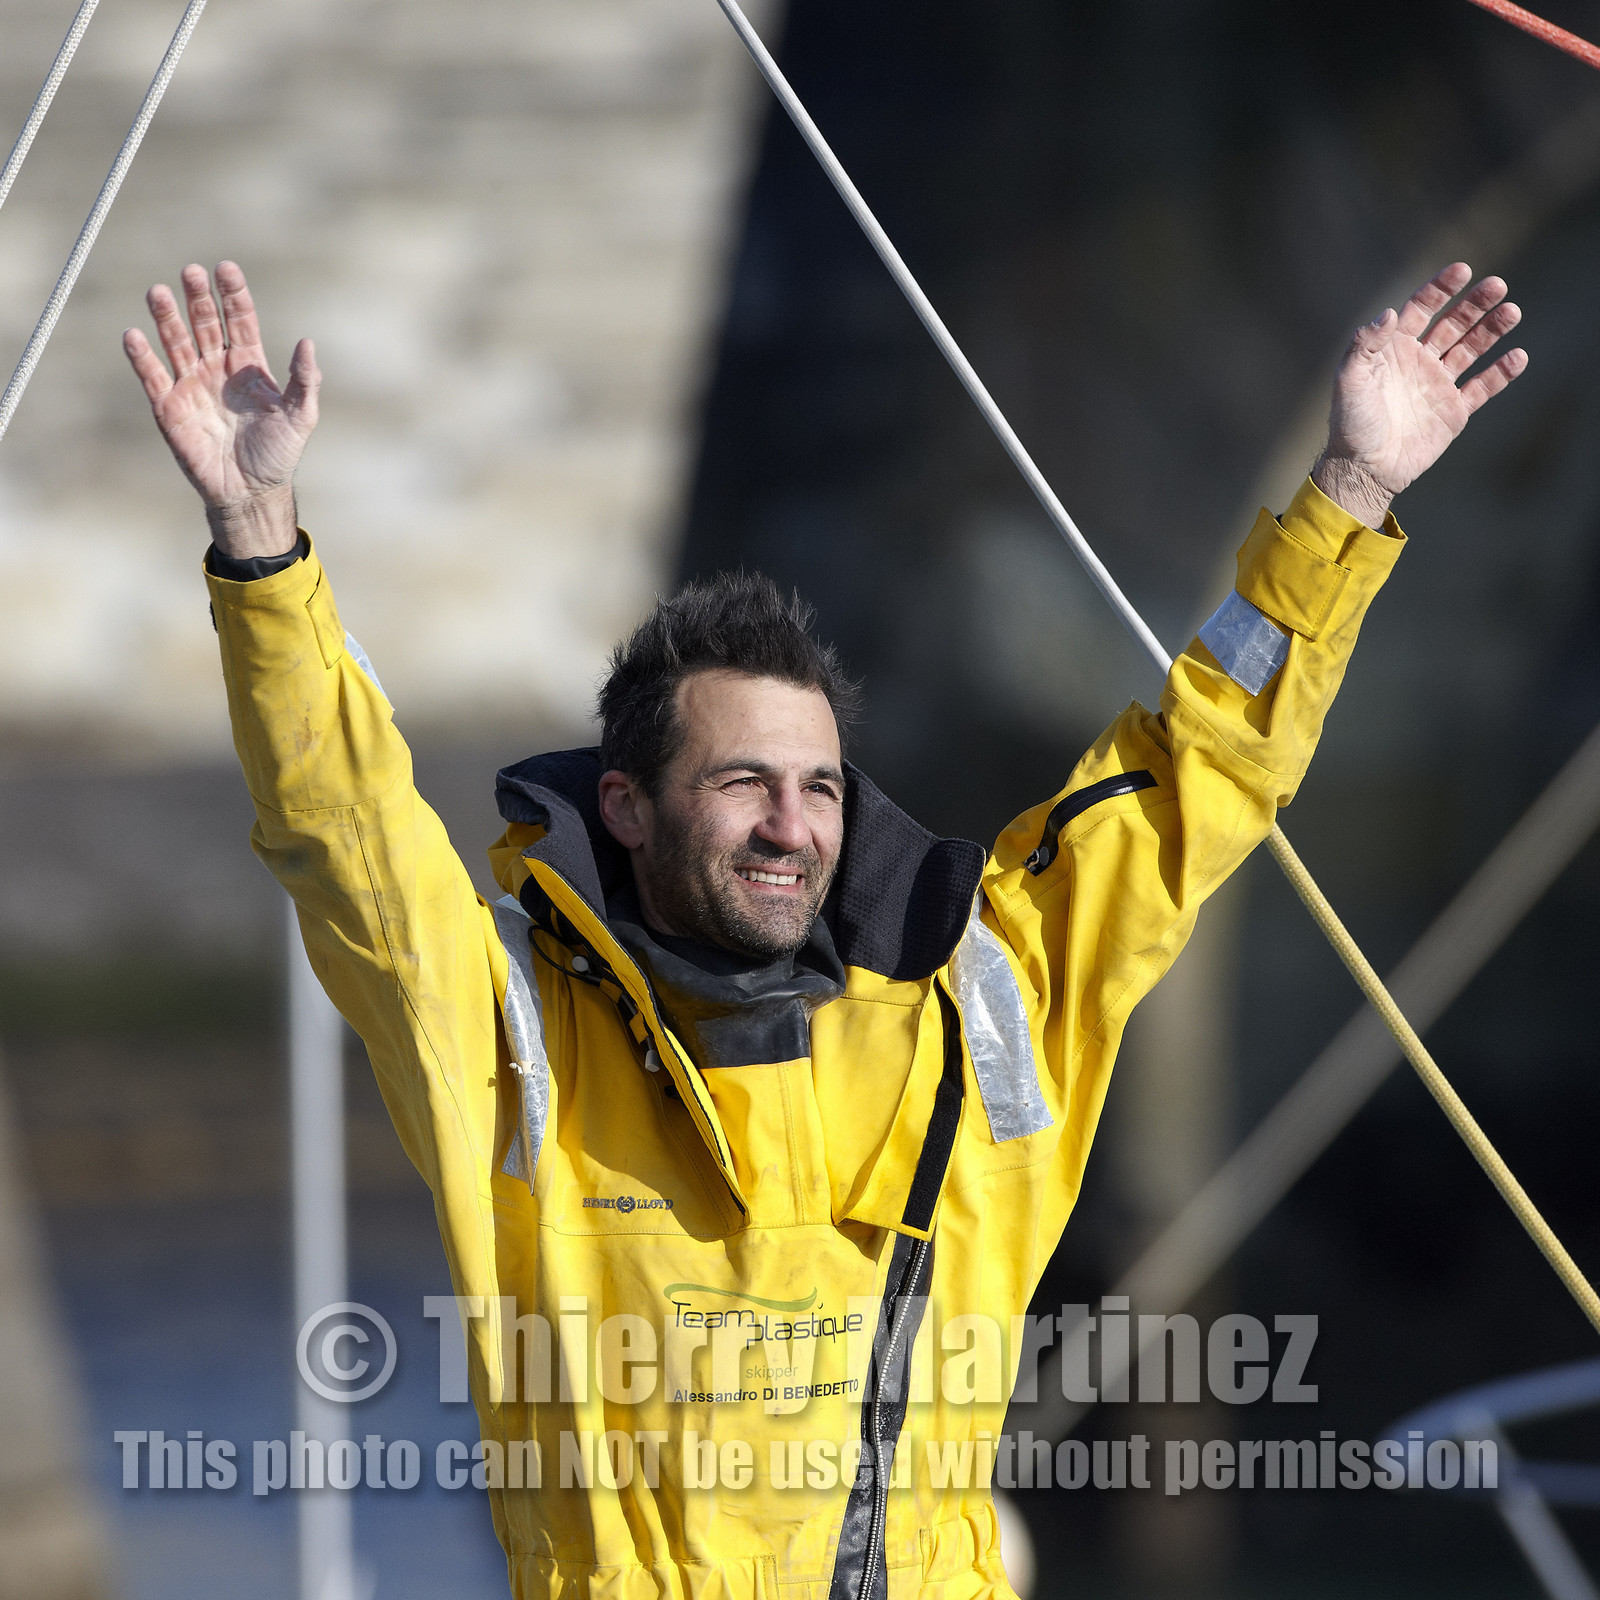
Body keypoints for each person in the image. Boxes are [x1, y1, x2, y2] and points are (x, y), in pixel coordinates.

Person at [125, 259, 1524, 1600]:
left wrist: (1348, 494)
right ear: (625, 805)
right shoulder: (506, 1034)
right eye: (741, 785)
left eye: (816, 788)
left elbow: (1197, 772)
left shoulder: (992, 992)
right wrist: (260, 541)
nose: (791, 827)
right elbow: (346, 836)